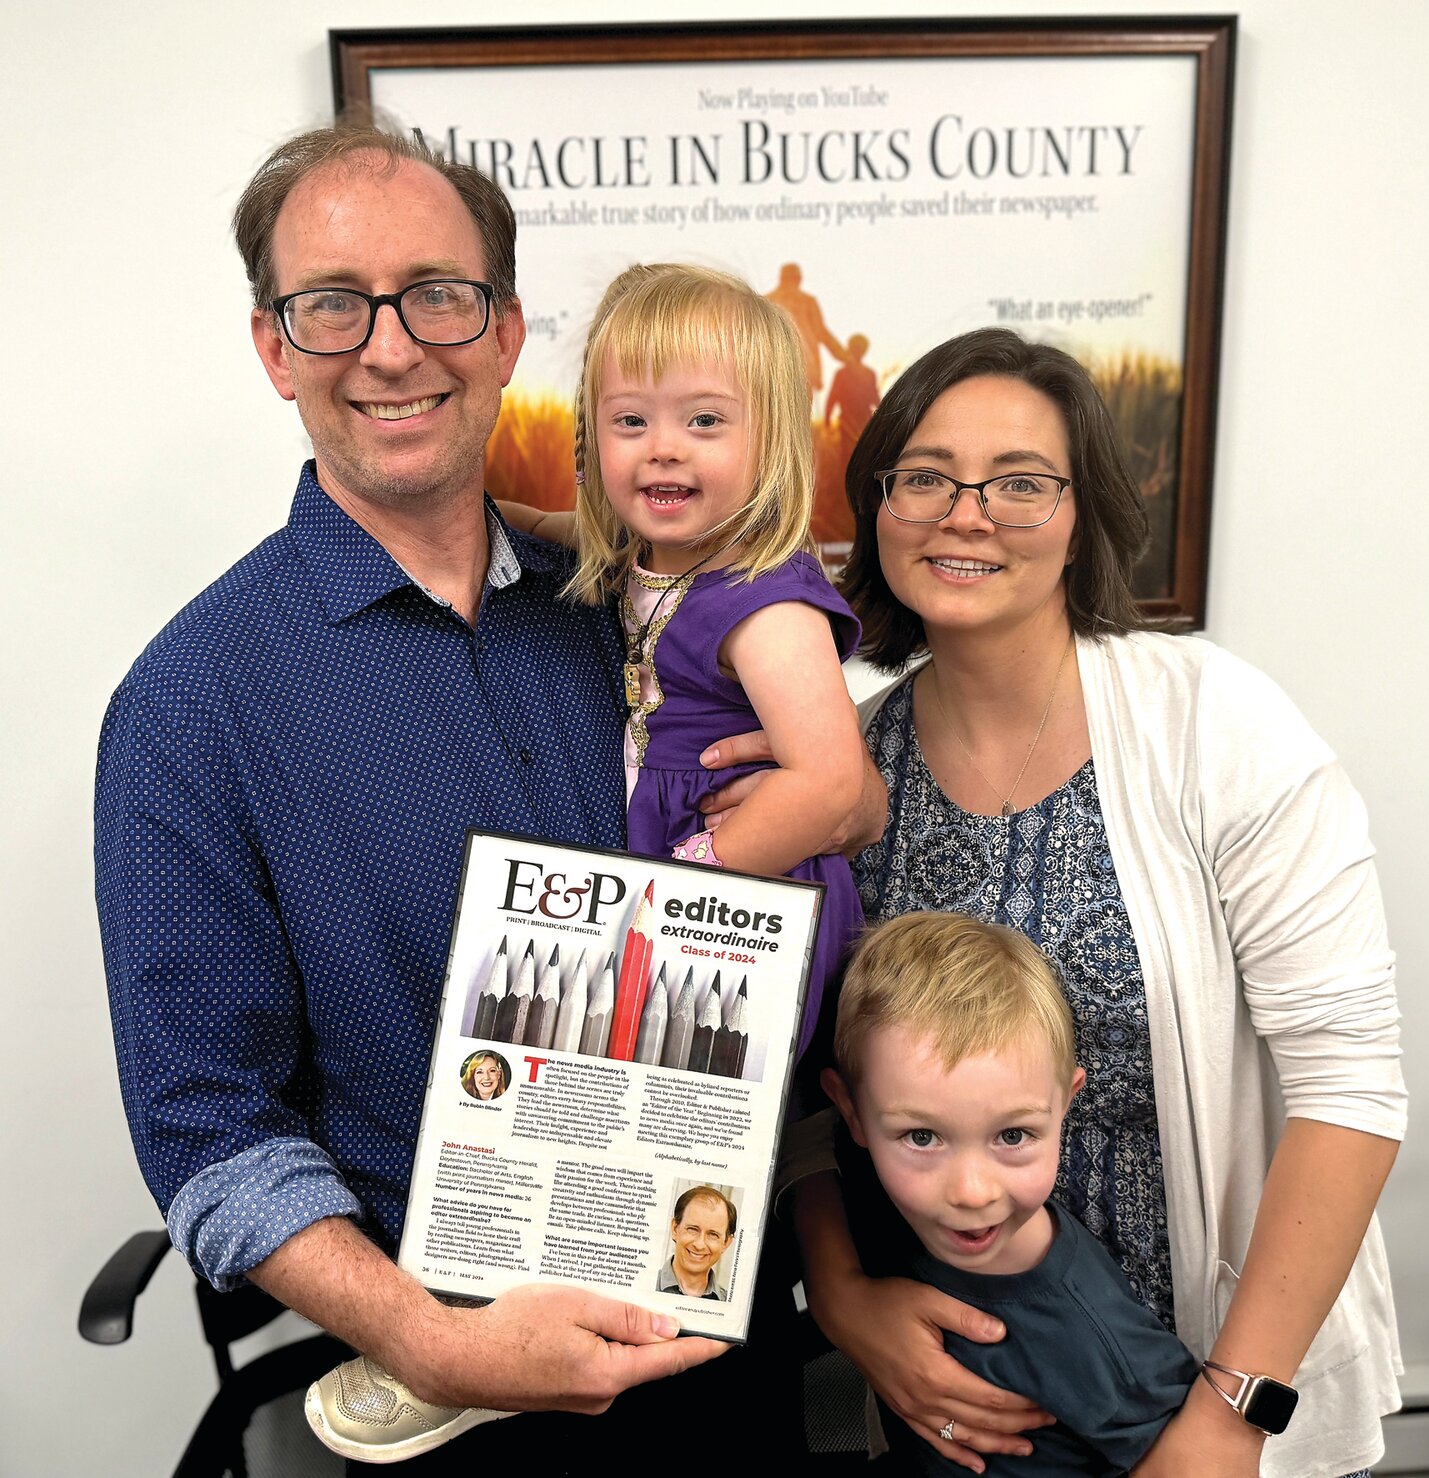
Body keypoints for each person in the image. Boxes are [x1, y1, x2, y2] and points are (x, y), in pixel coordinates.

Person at [94, 121, 872, 1473]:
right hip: (453, 1379)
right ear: (274, 348)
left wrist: (843, 801)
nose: (391, 348)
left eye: (437, 295)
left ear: (506, 331)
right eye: (332, 306)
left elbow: (823, 834)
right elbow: (210, 1130)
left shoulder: (634, 610)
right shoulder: (187, 705)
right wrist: (425, 1340)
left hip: (723, 1334)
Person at [791, 327, 1405, 1478]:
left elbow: (1350, 1085)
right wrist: (845, 1296)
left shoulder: (1218, 727)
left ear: (1085, 516)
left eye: (1022, 482)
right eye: (924, 476)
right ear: (878, 505)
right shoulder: (838, 771)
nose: (966, 514)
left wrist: (1226, 1416)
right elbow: (805, 1090)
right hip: (966, 1412)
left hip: (1211, 1381)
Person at [518, 261, 868, 1059]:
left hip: (747, 893)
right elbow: (556, 527)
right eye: (630, 422)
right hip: (672, 876)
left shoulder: (766, 603)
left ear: (769, 438)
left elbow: (830, 782)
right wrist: (490, 517)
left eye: (704, 422)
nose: (663, 449)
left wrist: (690, 878)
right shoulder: (648, 556)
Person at [823, 912, 1199, 1474]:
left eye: (1012, 1135)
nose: (972, 1193)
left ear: (1065, 1102)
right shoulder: (878, 1215)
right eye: (922, 1137)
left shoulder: (1101, 1346)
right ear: (851, 1113)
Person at [766, 261, 846, 403]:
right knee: (801, 415)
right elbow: (821, 332)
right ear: (799, 279)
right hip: (805, 369)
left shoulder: (767, 300)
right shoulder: (808, 301)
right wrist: (843, 356)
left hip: (773, 368)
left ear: (781, 278)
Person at [657, 1186, 738, 1299]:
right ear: (675, 1229)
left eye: (713, 1235)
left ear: (726, 1243)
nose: (699, 1245)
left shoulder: (732, 1305)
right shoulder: (640, 1286)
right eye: (692, 1229)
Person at [824, 333, 882, 465]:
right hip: (855, 421)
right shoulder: (867, 373)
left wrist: (827, 418)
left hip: (854, 421)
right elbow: (875, 398)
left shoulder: (845, 373)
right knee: (859, 456)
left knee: (851, 458)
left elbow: (833, 397)